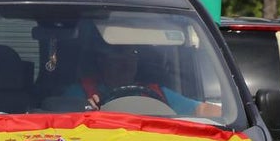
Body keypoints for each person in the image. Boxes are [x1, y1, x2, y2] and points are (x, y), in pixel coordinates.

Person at [68, 44, 221, 118]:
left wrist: (234, 116)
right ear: (102, 60)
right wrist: (84, 108)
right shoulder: (79, 92)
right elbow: (54, 112)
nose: (126, 60)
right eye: (118, 54)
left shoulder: (157, 92)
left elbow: (200, 109)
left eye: (132, 54)